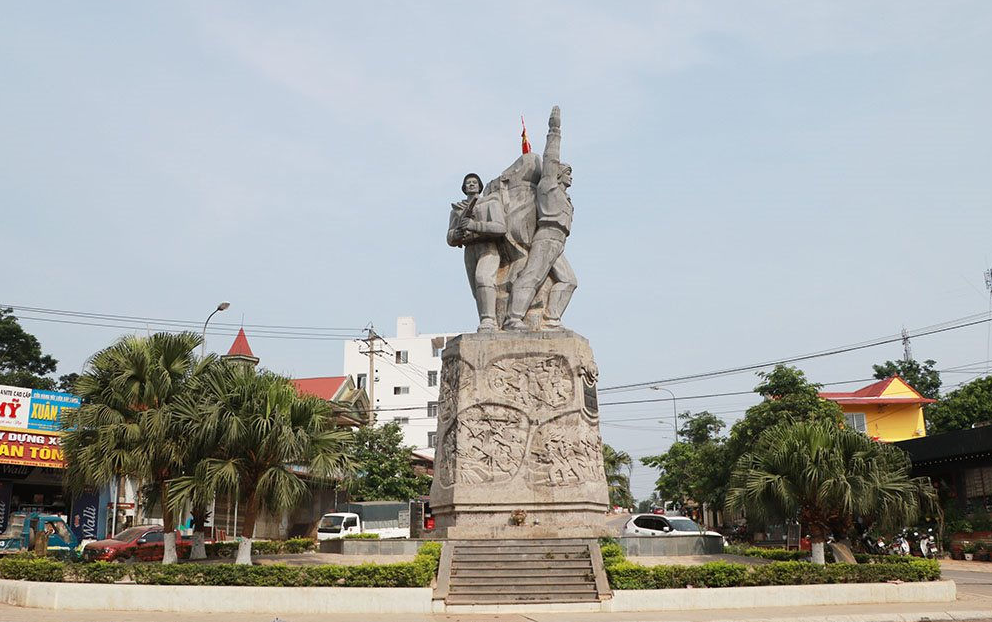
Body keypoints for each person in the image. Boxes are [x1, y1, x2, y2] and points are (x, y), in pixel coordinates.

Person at [504, 106, 577, 330]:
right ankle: (513, 318)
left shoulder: (565, 198)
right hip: (546, 236)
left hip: (558, 242)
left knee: (569, 281)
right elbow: (550, 159)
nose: (571, 176)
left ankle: (551, 319)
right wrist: (554, 130)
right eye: (567, 172)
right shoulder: (549, 187)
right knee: (532, 276)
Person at [447, 173, 507, 331]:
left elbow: (500, 227)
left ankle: (489, 319)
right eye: (468, 183)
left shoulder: (490, 203)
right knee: (476, 290)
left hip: (488, 247)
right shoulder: (457, 210)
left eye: (474, 182)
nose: (471, 185)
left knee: (483, 278)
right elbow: (450, 237)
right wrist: (456, 235)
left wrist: (475, 226)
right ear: (464, 187)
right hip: (470, 250)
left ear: (480, 186)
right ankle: (487, 318)